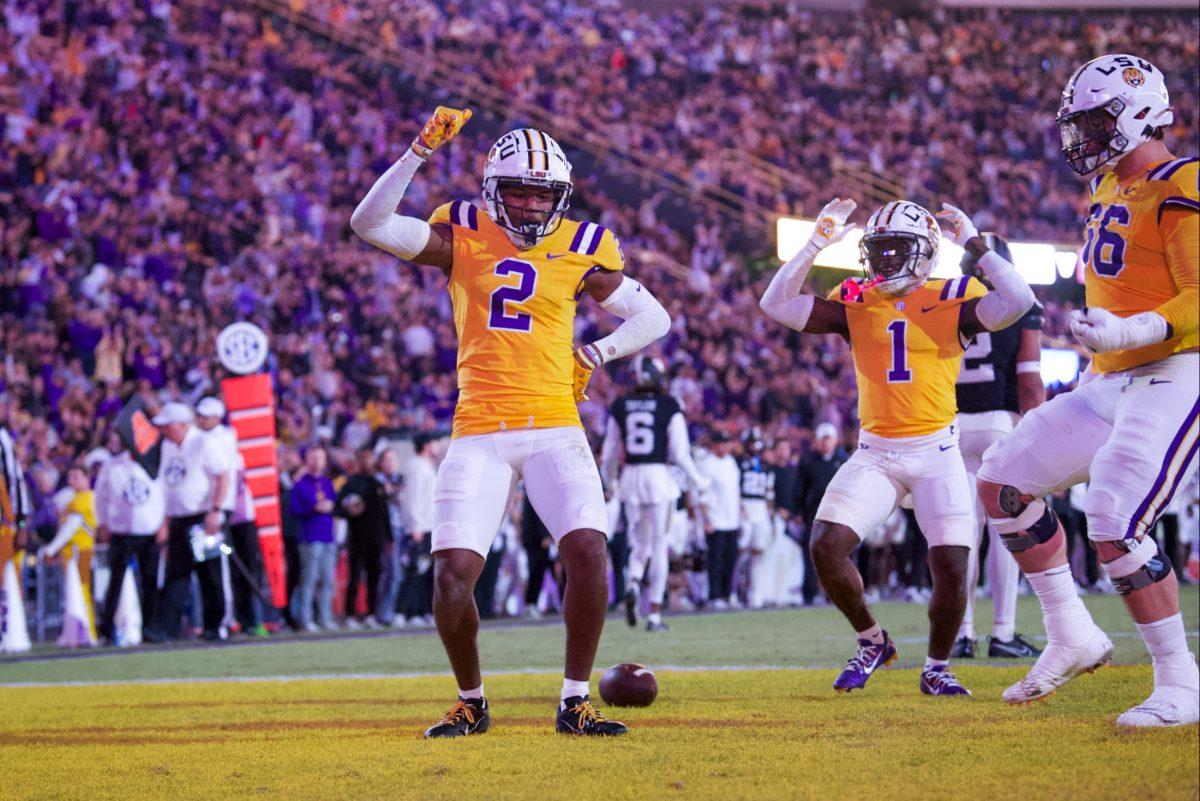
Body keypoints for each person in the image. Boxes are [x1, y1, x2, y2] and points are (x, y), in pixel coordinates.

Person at [351, 108, 669, 737]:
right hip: (480, 428)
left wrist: (597, 353)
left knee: (588, 549)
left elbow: (654, 317)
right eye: (517, 191)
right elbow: (370, 223)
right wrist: (417, 150)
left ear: (561, 195)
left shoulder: (582, 245)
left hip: (555, 423)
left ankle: (574, 701)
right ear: (492, 191)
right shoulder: (462, 232)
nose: (528, 206)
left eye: (541, 193)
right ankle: (472, 700)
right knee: (452, 575)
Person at [977, 53, 1198, 726]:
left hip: (1177, 366)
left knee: (1112, 514)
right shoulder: (1106, 186)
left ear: (1136, 111)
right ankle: (1073, 632)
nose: (1084, 138)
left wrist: (1134, 326)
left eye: (1096, 122)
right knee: (1002, 482)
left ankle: (1181, 683)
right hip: (1113, 377)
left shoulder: (1181, 180)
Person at [759, 196, 1036, 696]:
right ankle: (872, 641)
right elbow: (774, 304)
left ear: (926, 252)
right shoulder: (854, 299)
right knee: (826, 546)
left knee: (954, 563)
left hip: (937, 450)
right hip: (876, 451)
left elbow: (1018, 301)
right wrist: (814, 244)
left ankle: (936, 665)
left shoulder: (952, 295)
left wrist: (975, 243)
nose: (884, 260)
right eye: (878, 250)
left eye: (896, 250)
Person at [950, 234, 1046, 660]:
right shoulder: (1020, 305)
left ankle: (961, 634)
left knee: (961, 534)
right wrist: (1038, 430)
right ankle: (1002, 633)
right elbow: (1028, 379)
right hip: (998, 423)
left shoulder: (951, 299)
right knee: (1006, 531)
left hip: (950, 424)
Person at [600, 354, 708, 631]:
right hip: (659, 478)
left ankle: (634, 581)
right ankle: (655, 615)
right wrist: (698, 481)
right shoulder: (669, 405)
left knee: (640, 542)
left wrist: (608, 482)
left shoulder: (621, 405)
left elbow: (610, 453)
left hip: (630, 478)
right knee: (660, 544)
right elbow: (680, 453)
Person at [154, 402, 233, 641]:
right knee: (176, 575)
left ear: (181, 425)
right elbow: (169, 484)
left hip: (202, 517)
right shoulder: (168, 446)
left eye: (167, 426)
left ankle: (214, 626)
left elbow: (223, 475)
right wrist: (165, 520)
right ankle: (166, 629)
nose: (163, 431)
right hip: (178, 518)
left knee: (210, 573)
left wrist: (216, 511)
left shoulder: (204, 442)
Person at [197, 397, 264, 637]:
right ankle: (238, 618)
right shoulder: (212, 440)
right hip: (227, 511)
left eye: (206, 416)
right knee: (231, 564)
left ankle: (248, 619)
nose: (201, 420)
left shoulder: (223, 440)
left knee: (242, 565)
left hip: (237, 511)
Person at [93, 432, 166, 643]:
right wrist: (103, 523)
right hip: (121, 531)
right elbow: (101, 497)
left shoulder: (153, 463)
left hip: (148, 529)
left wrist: (163, 522)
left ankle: (150, 628)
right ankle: (106, 630)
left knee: (150, 581)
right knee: (115, 581)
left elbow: (163, 493)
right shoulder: (112, 466)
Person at [41, 464, 99, 644]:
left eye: (76, 477)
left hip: (80, 551)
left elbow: (70, 528)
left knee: (80, 591)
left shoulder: (84, 499)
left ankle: (86, 632)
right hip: (73, 553)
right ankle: (75, 632)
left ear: (86, 477)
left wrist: (50, 549)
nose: (71, 481)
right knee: (74, 592)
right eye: (70, 477)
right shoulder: (76, 499)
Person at [337, 447, 391, 629]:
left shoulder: (377, 484)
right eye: (362, 459)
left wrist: (388, 537)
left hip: (375, 538)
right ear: (357, 462)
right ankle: (350, 614)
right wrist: (348, 509)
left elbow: (385, 514)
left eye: (368, 458)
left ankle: (371, 613)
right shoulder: (351, 483)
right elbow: (338, 508)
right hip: (357, 537)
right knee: (355, 575)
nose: (366, 463)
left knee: (374, 576)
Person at [797, 424, 849, 605]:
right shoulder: (808, 461)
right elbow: (800, 489)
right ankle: (809, 594)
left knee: (836, 557)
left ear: (835, 440)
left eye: (829, 439)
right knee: (810, 556)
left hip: (837, 518)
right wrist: (798, 512)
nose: (826, 443)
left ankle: (833, 594)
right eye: (823, 439)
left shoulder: (843, 462)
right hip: (813, 516)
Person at [289, 446, 338, 632]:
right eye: (313, 457)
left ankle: (325, 618)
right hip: (309, 536)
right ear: (307, 461)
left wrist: (331, 506)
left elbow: (335, 504)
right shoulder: (300, 484)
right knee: (309, 579)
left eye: (320, 457)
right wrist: (313, 508)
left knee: (328, 580)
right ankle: (305, 619)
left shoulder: (327, 482)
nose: (317, 461)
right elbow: (294, 510)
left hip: (328, 536)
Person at [399, 433, 441, 626]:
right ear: (426, 445)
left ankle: (423, 610)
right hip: (420, 527)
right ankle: (407, 612)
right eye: (435, 443)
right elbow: (413, 499)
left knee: (428, 572)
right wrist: (415, 526)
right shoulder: (417, 468)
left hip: (429, 526)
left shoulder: (426, 467)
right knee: (417, 569)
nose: (438, 447)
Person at [696, 432, 741, 609]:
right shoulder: (707, 464)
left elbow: (735, 490)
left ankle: (727, 593)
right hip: (716, 519)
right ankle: (714, 595)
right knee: (716, 559)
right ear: (714, 445)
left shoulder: (731, 462)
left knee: (730, 559)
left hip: (732, 519)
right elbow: (702, 496)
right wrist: (707, 519)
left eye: (727, 442)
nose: (724, 446)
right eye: (721, 443)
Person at [738, 428, 775, 609]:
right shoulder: (739, 463)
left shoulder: (766, 466)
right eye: (752, 442)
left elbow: (768, 493)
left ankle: (755, 592)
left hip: (759, 508)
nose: (755, 446)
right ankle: (735, 592)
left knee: (757, 553)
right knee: (740, 553)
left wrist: (770, 513)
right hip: (744, 506)